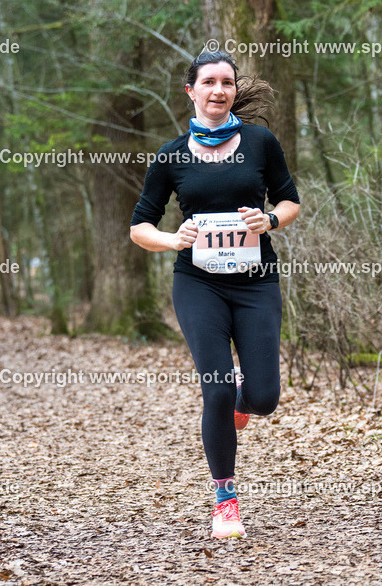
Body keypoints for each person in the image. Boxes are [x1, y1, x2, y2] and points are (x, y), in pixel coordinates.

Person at [129, 51, 300, 539]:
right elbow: (139, 227)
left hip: (256, 282)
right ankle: (226, 500)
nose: (219, 90)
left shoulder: (261, 143)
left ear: (234, 90)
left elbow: (290, 201)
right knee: (217, 388)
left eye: (227, 82)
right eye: (208, 82)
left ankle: (245, 399)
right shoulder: (171, 155)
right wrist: (172, 239)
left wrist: (270, 219)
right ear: (191, 91)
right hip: (198, 282)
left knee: (264, 398)